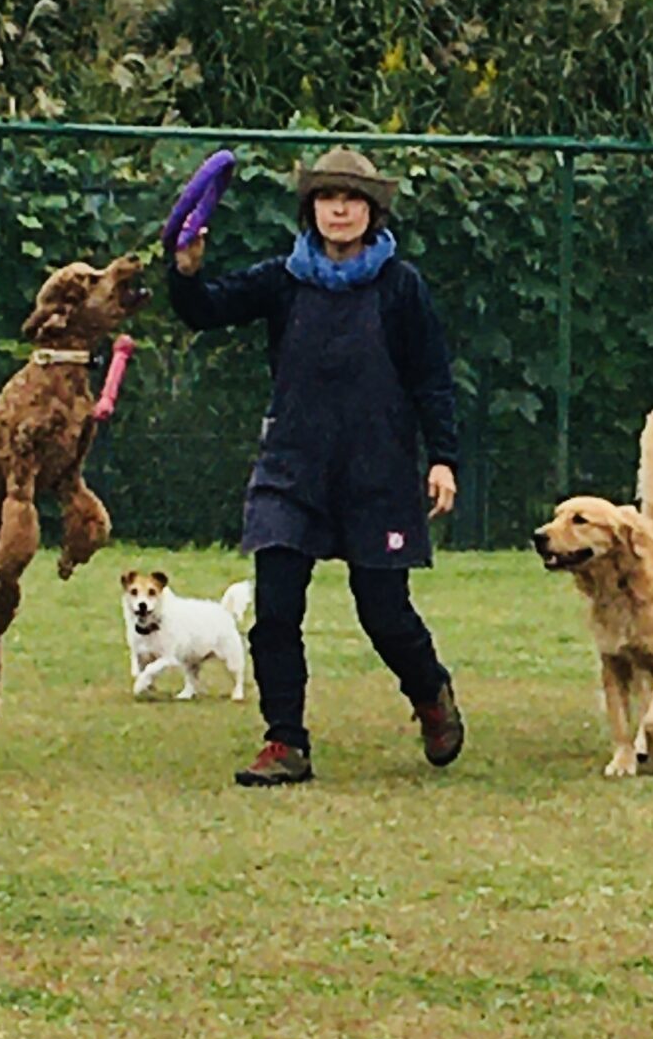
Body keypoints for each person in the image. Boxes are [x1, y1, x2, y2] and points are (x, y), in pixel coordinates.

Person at [168, 146, 463, 786]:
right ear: (311, 209)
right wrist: (186, 272)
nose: (339, 209)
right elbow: (205, 310)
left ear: (373, 212)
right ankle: (285, 743)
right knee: (275, 613)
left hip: (378, 475)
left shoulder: (401, 287)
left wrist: (443, 458)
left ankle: (430, 693)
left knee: (384, 613)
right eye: (327, 197)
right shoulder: (282, 278)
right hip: (291, 472)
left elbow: (432, 379)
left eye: (352, 199)